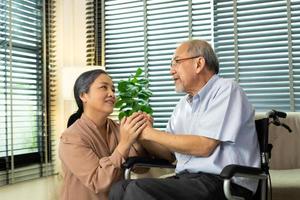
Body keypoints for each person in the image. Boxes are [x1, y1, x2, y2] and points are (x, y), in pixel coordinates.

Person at [109, 39, 260, 200]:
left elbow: (204, 146)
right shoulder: (183, 105)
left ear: (199, 63)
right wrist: (139, 132)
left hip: (225, 182)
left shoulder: (226, 90)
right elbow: (169, 154)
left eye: (176, 62)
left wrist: (149, 133)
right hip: (190, 180)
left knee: (139, 189)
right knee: (119, 189)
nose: (171, 71)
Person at [59, 69, 148, 200]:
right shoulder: (71, 138)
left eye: (113, 89)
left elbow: (141, 169)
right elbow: (98, 182)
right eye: (103, 87)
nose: (111, 94)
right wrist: (124, 144)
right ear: (84, 95)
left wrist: (137, 138)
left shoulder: (117, 129)